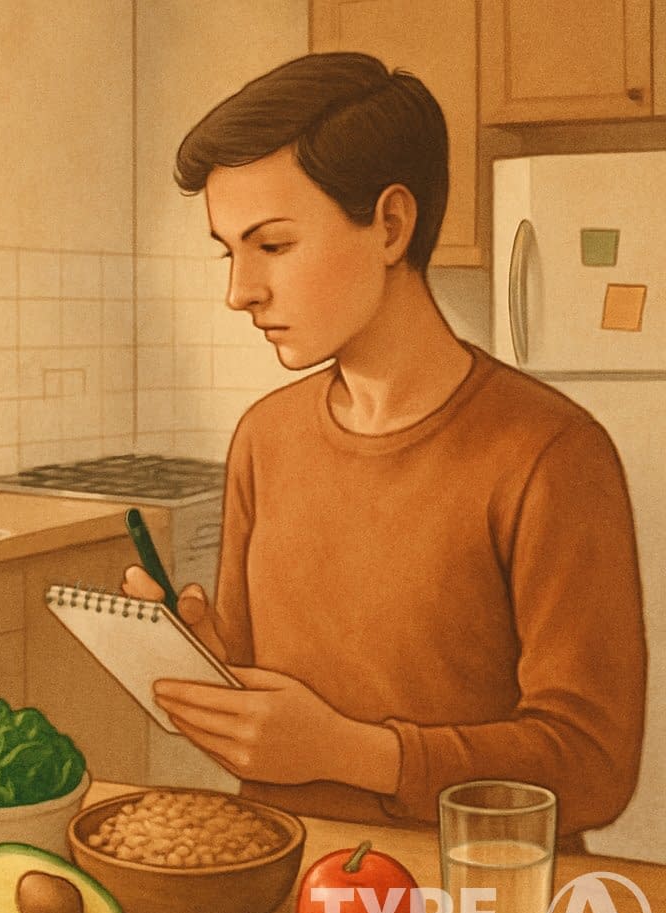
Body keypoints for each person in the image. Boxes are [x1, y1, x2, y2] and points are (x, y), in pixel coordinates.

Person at [121, 52, 646, 847]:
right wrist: (197, 658)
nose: (240, 291)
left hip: (475, 897)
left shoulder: (551, 452)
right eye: (230, 251)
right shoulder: (266, 436)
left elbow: (595, 764)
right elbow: (267, 673)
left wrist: (354, 752)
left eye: (273, 245)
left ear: (391, 225)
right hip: (283, 879)